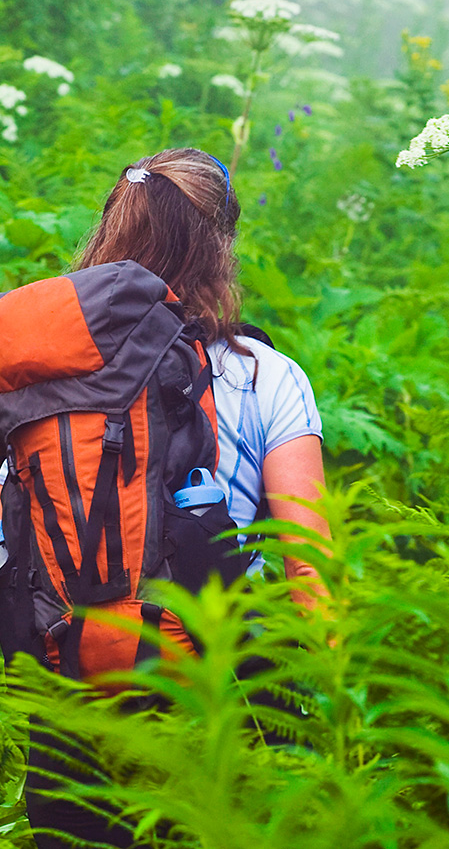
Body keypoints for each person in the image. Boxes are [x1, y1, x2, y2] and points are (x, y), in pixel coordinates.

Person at [24, 147, 330, 847]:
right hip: (228, 680)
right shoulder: (266, 375)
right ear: (221, 246)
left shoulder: (43, 380)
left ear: (110, 230)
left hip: (75, 682)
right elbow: (309, 565)